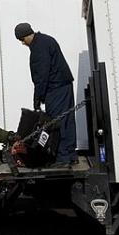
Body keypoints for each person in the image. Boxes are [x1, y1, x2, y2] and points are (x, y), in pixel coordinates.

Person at [15, 22, 77, 165]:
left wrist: (38, 97)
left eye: (22, 40)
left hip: (55, 88)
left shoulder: (38, 47)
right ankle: (70, 154)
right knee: (67, 120)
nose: (22, 43)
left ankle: (63, 157)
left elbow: (42, 74)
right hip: (63, 85)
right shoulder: (46, 40)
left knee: (56, 122)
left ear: (26, 35)